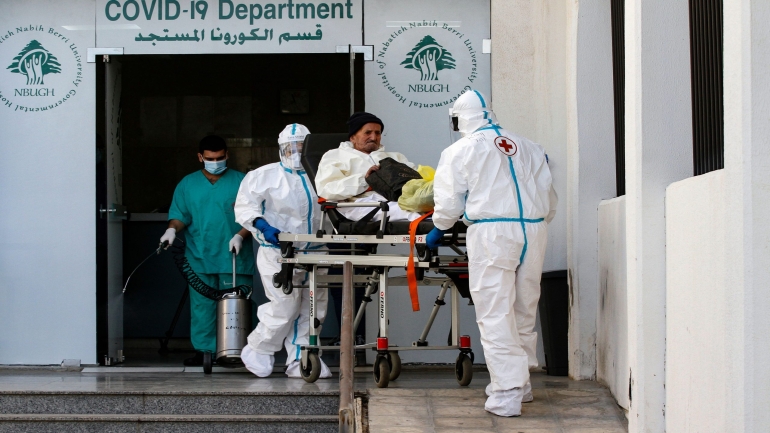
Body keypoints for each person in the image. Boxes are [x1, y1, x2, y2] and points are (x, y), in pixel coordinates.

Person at [427, 90, 557, 417]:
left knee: (494, 309)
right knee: (523, 306)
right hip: (534, 227)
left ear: (458, 118)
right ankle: (523, 383)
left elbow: (448, 202)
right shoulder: (528, 146)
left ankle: (507, 393)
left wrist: (439, 227)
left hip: (493, 231)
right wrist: (533, 220)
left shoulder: (460, 150)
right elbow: (549, 195)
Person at [234, 123, 332, 379]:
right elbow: (245, 207)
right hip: (278, 253)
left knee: (314, 308)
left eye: (301, 147)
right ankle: (258, 349)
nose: (296, 152)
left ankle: (303, 358)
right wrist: (262, 225)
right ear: (280, 149)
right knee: (284, 305)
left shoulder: (325, 175)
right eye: (290, 147)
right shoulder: (263, 175)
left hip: (318, 251)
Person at [161, 135, 255, 366]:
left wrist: (240, 235)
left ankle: (237, 351)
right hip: (199, 255)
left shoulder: (243, 181)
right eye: (210, 158)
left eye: (220, 157)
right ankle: (205, 352)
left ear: (227, 155)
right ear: (200, 157)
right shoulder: (188, 184)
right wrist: (172, 230)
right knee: (202, 307)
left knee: (236, 307)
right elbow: (180, 215)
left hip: (234, 255)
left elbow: (254, 215)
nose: (216, 162)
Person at [315, 112, 420, 221]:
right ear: (353, 137)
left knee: (432, 207)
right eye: (368, 132)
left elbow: (417, 181)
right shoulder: (335, 156)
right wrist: (366, 181)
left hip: (399, 200)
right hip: (360, 204)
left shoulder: (396, 157)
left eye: (377, 133)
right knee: (411, 213)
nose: (373, 137)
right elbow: (327, 190)